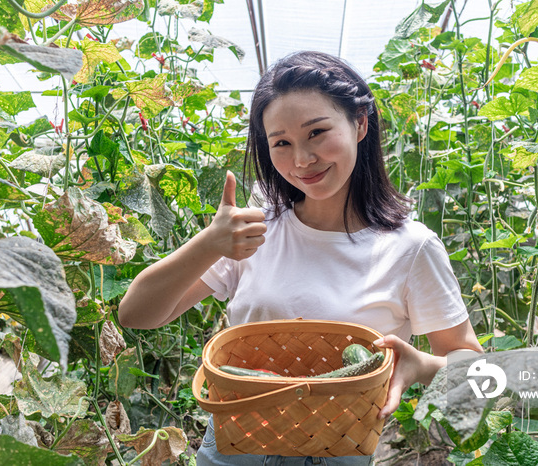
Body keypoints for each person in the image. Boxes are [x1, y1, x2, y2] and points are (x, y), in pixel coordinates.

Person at [118, 51, 483, 465]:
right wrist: (208, 243)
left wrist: (421, 365)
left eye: (317, 133)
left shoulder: (411, 247)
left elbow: (472, 364)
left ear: (360, 124)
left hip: (343, 451)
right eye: (282, 143)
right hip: (235, 449)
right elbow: (136, 314)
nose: (302, 160)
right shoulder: (253, 230)